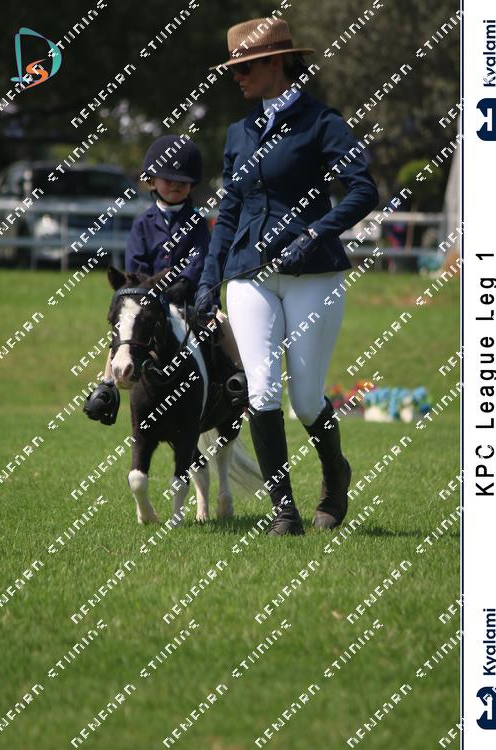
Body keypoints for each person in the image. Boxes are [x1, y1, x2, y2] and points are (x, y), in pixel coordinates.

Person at [195, 18, 379, 536]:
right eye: (233, 70)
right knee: (261, 389)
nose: (237, 77)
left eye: (245, 68)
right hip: (247, 274)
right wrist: (209, 279)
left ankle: (336, 475)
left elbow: (363, 189)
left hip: (312, 274)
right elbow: (230, 213)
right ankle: (284, 511)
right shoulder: (238, 133)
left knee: (306, 399)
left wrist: (317, 231)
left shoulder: (322, 122)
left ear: (276, 63)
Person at [84, 135, 241, 425]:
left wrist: (186, 282)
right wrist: (152, 289)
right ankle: (107, 386)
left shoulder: (197, 222)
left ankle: (237, 379)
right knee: (125, 331)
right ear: (152, 182)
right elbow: (136, 265)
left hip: (191, 300)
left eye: (182, 181)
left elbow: (201, 258)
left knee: (220, 322)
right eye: (168, 179)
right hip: (150, 302)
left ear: (191, 184)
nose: (175, 185)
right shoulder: (142, 224)